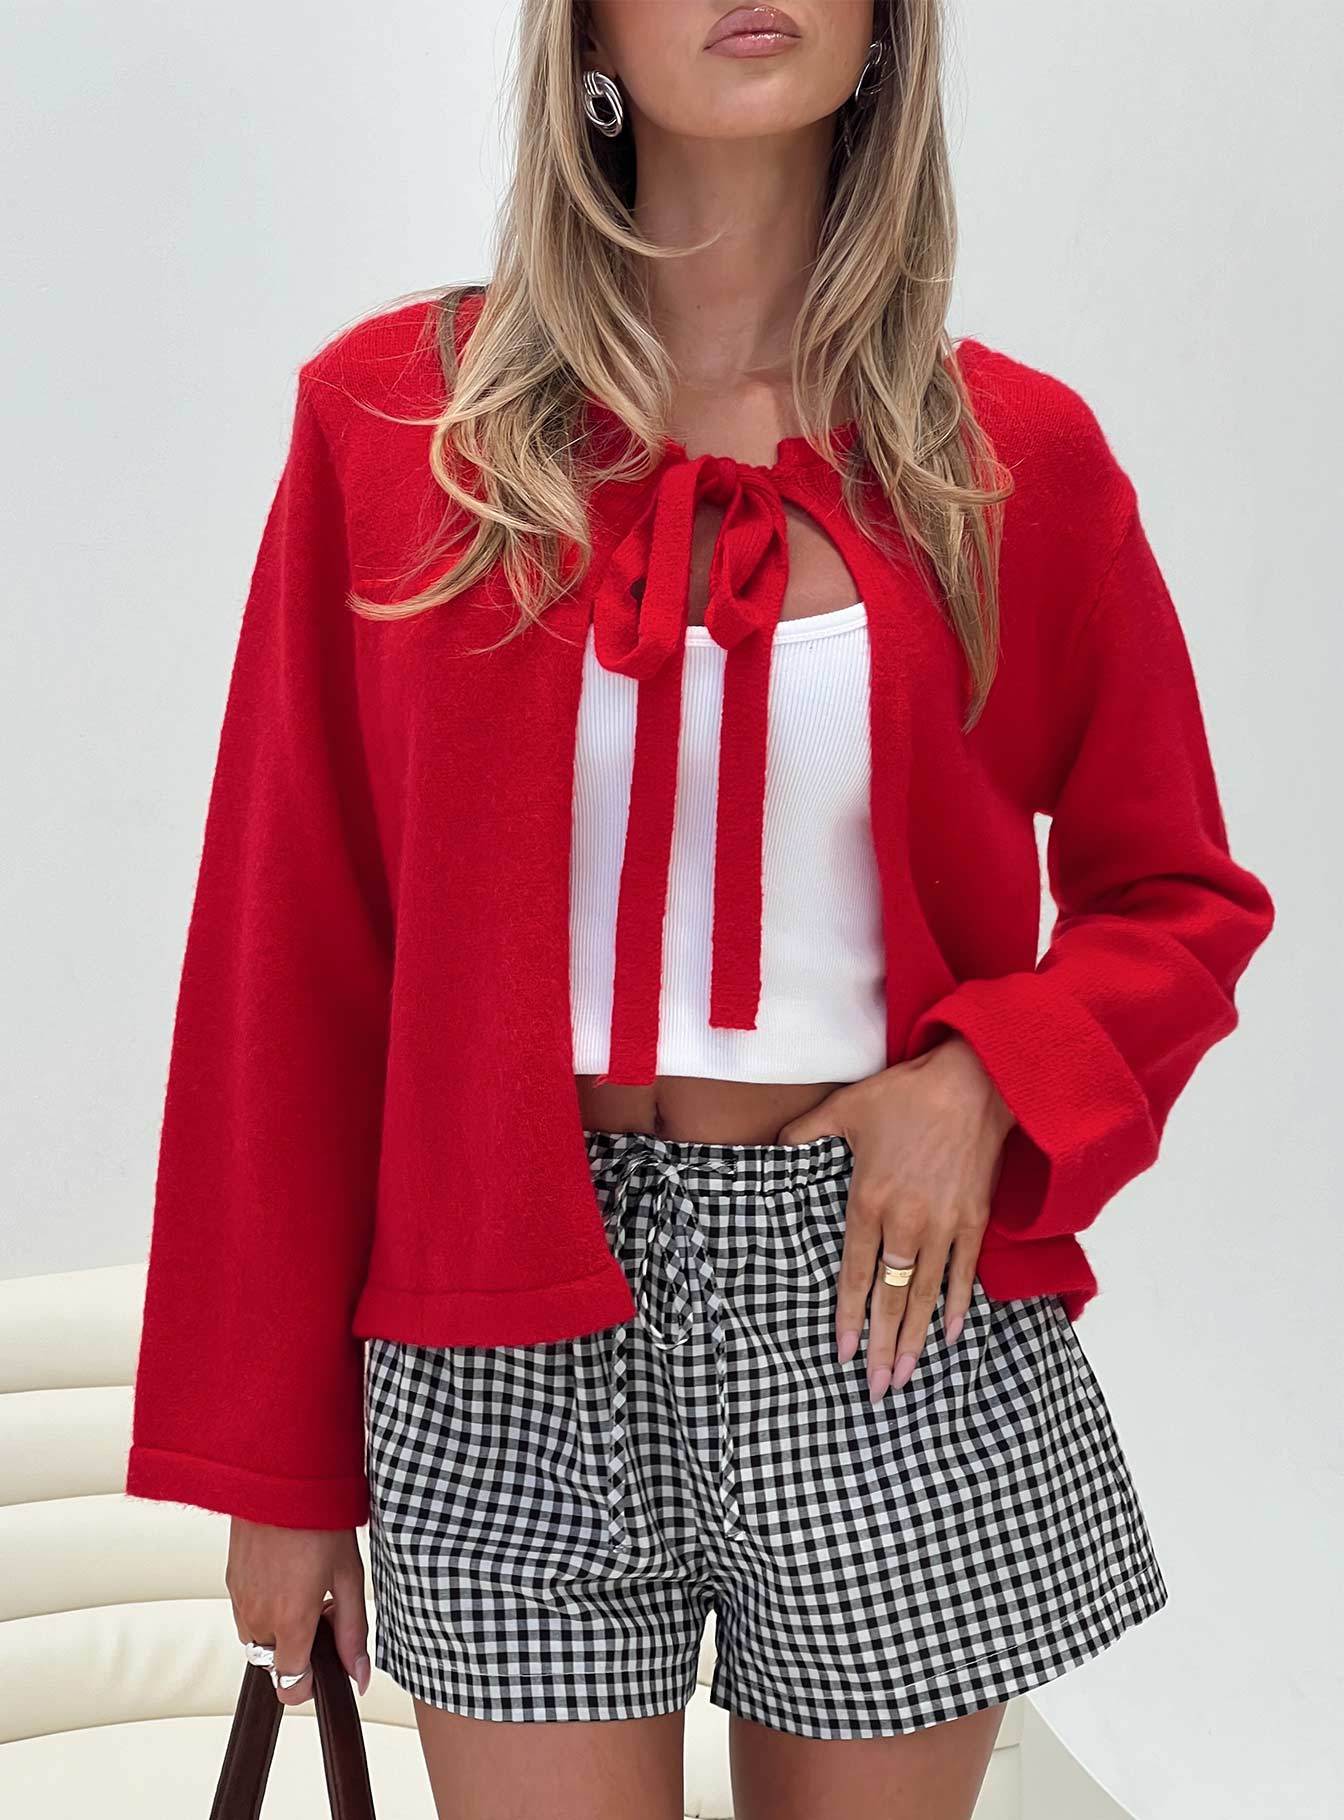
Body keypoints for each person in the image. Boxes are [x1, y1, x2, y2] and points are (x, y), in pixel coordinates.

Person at [124, 3, 1276, 1816]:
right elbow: (289, 958)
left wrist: (984, 1078)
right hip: (496, 1306)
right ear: (583, 29)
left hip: (881, 1306)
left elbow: (1179, 893)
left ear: (886, 33)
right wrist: (276, 1466)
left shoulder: (1009, 461)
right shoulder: (397, 428)